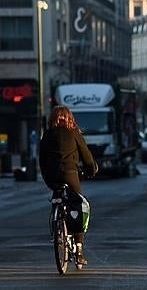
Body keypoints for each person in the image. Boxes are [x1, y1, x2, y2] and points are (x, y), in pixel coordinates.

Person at [39, 105, 98, 265]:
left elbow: (42, 159)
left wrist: (47, 177)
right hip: (70, 175)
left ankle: (56, 223)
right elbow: (86, 155)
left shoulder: (47, 135)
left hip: (52, 176)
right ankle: (79, 249)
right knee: (78, 207)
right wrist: (91, 170)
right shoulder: (73, 133)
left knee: (57, 198)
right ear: (69, 119)